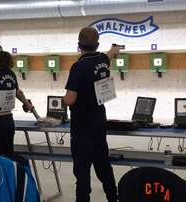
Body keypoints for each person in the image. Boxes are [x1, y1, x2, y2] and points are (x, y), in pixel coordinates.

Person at [63, 27, 122, 202]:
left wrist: (63, 100)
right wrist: (116, 49)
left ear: (79, 45)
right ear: (97, 44)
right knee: (103, 164)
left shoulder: (78, 67)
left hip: (82, 125)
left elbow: (70, 99)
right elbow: (110, 54)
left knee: (82, 170)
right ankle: (113, 198)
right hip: (99, 121)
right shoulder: (102, 60)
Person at [0, 43, 33, 155]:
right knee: (7, 156)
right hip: (7, 121)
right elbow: (18, 92)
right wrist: (26, 103)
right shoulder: (11, 73)